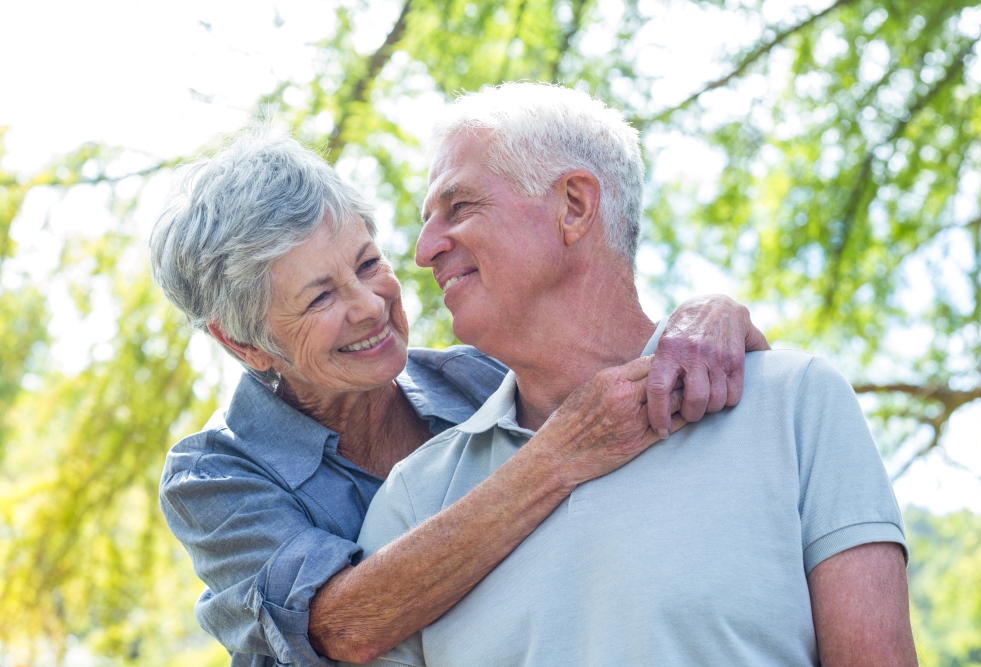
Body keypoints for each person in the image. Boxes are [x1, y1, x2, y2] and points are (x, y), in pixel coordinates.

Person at [148, 130, 770, 667]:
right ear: (244, 343)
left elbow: (636, 386)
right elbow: (345, 626)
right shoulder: (214, 473)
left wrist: (707, 320)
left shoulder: (477, 379)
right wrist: (557, 457)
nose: (369, 307)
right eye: (320, 298)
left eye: (367, 264)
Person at [352, 83, 918, 667]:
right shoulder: (414, 500)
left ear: (574, 206)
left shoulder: (795, 406)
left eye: (460, 207)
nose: (422, 251)